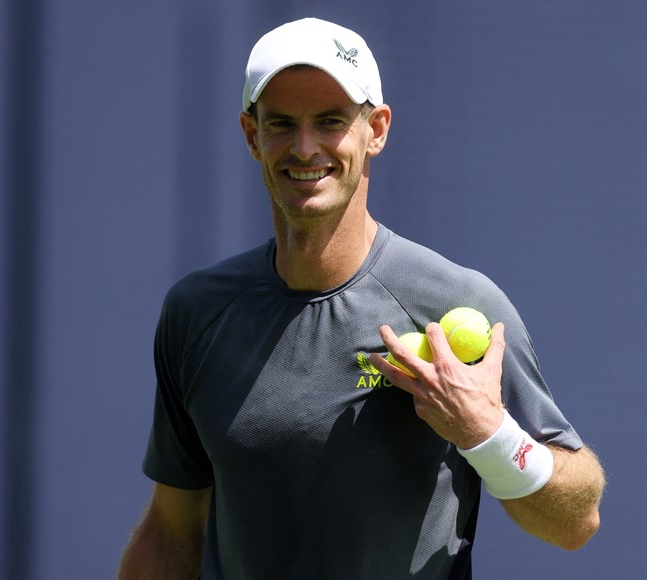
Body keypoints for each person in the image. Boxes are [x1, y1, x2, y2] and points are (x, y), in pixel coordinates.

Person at [118, 17, 605, 580]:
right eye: (281, 123)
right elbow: (172, 534)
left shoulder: (460, 304)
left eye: (330, 122)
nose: (305, 148)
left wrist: (487, 433)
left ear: (376, 129)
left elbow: (577, 520)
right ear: (252, 136)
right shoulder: (196, 314)